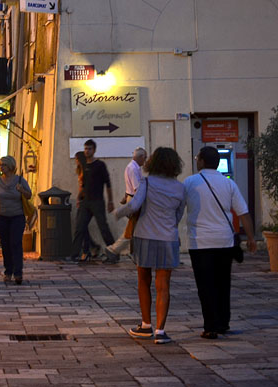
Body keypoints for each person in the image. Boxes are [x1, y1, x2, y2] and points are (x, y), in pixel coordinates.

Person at [183, 146, 257, 339]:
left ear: (201, 161)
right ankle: (223, 322)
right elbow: (243, 212)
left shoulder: (190, 182)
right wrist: (251, 238)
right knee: (223, 283)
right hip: (224, 241)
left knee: (205, 286)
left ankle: (210, 327)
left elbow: (178, 208)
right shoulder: (228, 183)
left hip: (200, 242)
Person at [114, 147, 186, 345]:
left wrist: (118, 213)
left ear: (153, 162)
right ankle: (160, 331)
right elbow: (178, 215)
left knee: (143, 280)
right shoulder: (180, 188)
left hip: (145, 236)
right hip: (168, 238)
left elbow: (134, 205)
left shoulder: (147, 182)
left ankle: (146, 325)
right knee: (163, 285)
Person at [70, 139, 118, 263]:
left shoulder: (100, 165)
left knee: (103, 228)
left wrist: (110, 201)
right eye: (85, 149)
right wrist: (79, 198)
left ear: (94, 150)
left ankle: (113, 253)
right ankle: (74, 254)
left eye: (89, 149)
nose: (87, 151)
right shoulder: (84, 166)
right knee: (80, 227)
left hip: (97, 201)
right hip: (85, 202)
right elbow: (83, 186)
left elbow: (108, 184)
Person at [0, 156, 32, 285]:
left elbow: (29, 195)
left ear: (11, 166)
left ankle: (18, 272)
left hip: (17, 216)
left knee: (16, 243)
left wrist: (21, 190)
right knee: (5, 245)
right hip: (1, 217)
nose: (1, 167)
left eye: (4, 165)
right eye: (0, 165)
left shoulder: (19, 180)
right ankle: (8, 271)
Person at [106, 147, 147, 259]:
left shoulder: (132, 167)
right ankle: (114, 249)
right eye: (145, 158)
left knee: (135, 228)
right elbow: (137, 189)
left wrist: (125, 197)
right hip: (135, 200)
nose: (145, 161)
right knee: (132, 228)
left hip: (132, 198)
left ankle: (131, 252)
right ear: (140, 157)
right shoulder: (133, 169)